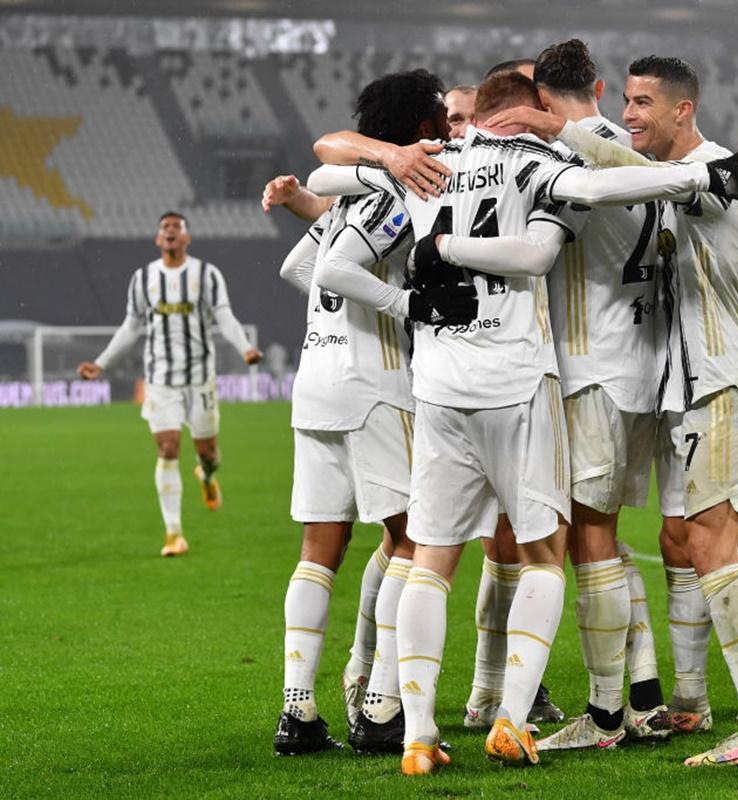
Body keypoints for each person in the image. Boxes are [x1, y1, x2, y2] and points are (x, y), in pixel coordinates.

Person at [307, 70, 738, 774]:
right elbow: (584, 204)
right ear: (526, 111)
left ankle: (418, 734)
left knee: (431, 560)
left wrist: (406, 294)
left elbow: (331, 230)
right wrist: (690, 182)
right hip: (523, 383)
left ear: (476, 115)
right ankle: (513, 719)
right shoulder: (540, 165)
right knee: (547, 554)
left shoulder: (424, 169)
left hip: (438, 387)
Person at [486, 55, 738, 767]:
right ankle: (701, 700)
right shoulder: (675, 177)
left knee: (712, 547)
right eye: (624, 99)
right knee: (706, 543)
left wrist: (558, 125)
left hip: (720, 381)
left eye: (645, 101)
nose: (631, 113)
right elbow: (631, 168)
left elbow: (621, 168)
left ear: (685, 109)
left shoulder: (718, 171)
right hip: (687, 385)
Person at [270, 69, 479, 757]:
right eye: (441, 121)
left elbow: (300, 270)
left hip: (317, 381)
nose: (450, 130)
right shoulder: (393, 193)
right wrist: (406, 308)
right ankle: (383, 708)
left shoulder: (349, 196)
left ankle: (298, 711)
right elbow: (334, 273)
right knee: (415, 543)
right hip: (376, 388)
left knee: (319, 551)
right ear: (420, 128)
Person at [518, 39, 672, 753]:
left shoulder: (561, 158)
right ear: (602, 87)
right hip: (646, 367)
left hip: (591, 371)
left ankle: (606, 716)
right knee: (605, 535)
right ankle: (643, 697)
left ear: (541, 101)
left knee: (591, 540)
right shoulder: (633, 148)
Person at [78, 212, 261, 556]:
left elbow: (224, 316)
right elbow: (130, 327)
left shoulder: (207, 275)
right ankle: (173, 533)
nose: (171, 232)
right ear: (158, 239)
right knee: (167, 448)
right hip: (160, 379)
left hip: (199, 378)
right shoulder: (143, 278)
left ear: (187, 238)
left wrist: (245, 348)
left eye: (177, 227)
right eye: (165, 228)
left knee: (208, 453)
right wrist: (101, 363)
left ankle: (206, 476)